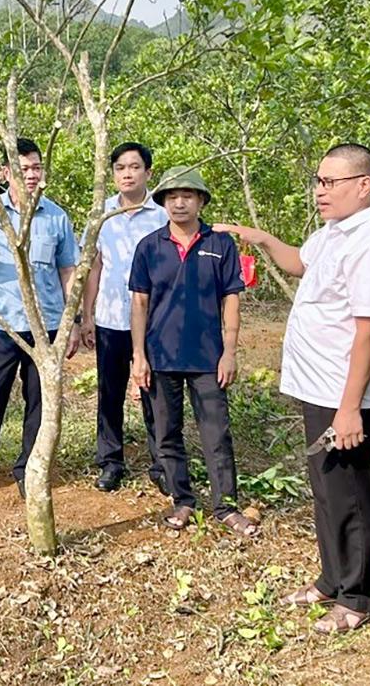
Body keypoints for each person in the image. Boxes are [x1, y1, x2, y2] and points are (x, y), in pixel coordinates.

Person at [218, 144, 370, 632]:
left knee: (350, 491)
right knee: (325, 488)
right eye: (318, 181)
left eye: (331, 182)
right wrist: (260, 238)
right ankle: (333, 578)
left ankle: (361, 594)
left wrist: (349, 410)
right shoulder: (333, 233)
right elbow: (301, 263)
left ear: (363, 185)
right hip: (317, 385)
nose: (320, 191)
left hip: (344, 392)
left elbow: (368, 331)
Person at [0, 138, 80, 503]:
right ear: (6, 173)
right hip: (2, 326)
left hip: (47, 324)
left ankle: (29, 470)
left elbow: (67, 268)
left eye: (37, 167)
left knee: (40, 401)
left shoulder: (56, 216)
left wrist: (74, 320)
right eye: (24, 169)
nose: (33, 174)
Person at [129, 165, 256, 538]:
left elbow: (231, 299)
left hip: (207, 357)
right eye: (172, 197)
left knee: (216, 432)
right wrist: (139, 355)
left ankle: (226, 506)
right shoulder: (149, 247)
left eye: (187, 196)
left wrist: (229, 351)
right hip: (161, 356)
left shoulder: (219, 244)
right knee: (166, 433)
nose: (179, 203)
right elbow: (139, 303)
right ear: (164, 202)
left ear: (201, 201)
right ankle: (182, 500)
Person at [80, 142, 168, 493]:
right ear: (113, 173)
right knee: (110, 391)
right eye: (120, 168)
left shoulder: (163, 214)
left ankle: (163, 463)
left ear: (148, 172)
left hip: (155, 321)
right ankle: (110, 461)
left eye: (134, 167)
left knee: (156, 392)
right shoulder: (101, 214)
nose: (127, 174)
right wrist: (86, 316)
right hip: (111, 318)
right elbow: (94, 266)